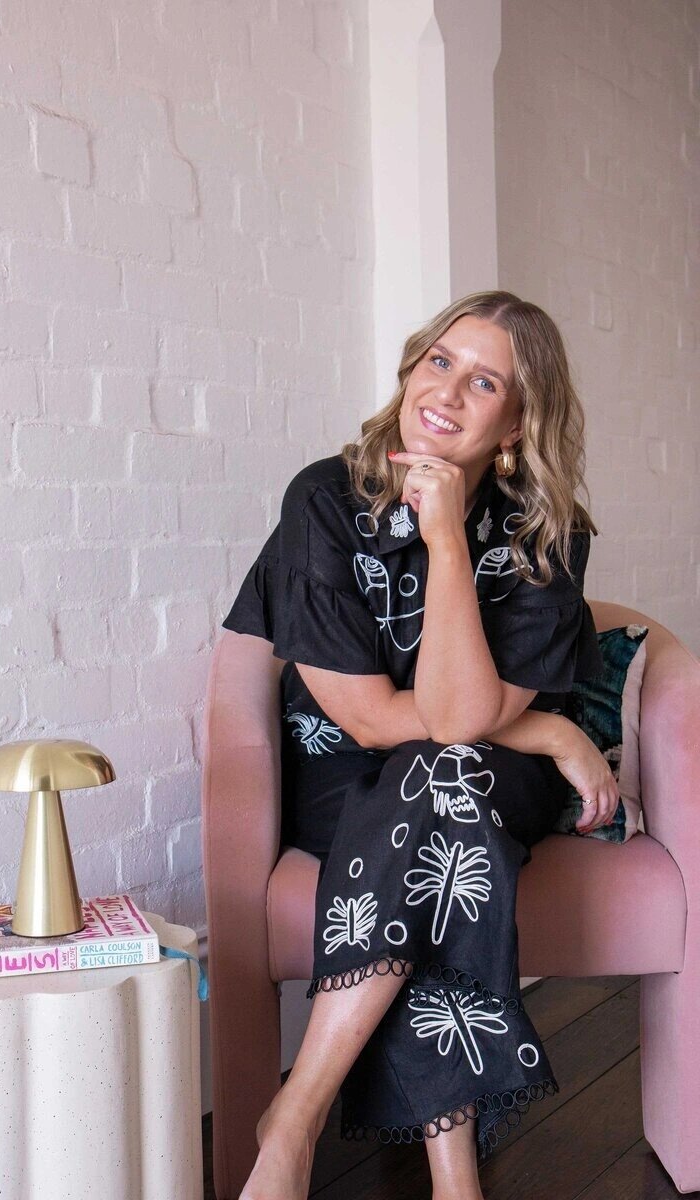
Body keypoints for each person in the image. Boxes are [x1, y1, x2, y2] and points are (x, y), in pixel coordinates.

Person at [220, 290, 618, 1200]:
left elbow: (465, 717)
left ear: (518, 421)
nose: (449, 391)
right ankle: (454, 1176)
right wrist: (554, 726)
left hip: (487, 776)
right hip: (344, 774)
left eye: (487, 382)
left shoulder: (548, 536)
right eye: (440, 362)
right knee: (442, 797)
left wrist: (444, 541)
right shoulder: (325, 498)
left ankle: (295, 1116)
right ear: (409, 370)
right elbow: (364, 718)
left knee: (448, 777)